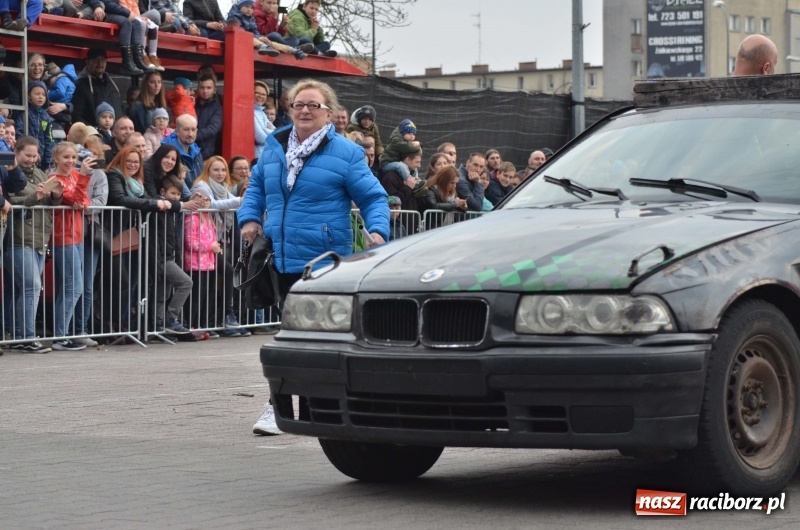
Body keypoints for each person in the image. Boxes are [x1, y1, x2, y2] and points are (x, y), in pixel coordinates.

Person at [239, 79, 389, 435]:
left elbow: (373, 197)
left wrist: (379, 231)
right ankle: (280, 407)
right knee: (289, 335)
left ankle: (310, 407)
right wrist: (248, 218)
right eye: (298, 105)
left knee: (314, 337)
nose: (305, 111)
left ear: (329, 113)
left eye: (313, 105)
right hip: (280, 258)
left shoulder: (346, 152)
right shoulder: (274, 147)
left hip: (325, 262)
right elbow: (256, 186)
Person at [104, 146, 180, 333]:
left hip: (135, 236)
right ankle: (111, 325)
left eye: (136, 162)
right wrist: (154, 203)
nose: (132, 165)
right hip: (116, 234)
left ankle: (127, 324)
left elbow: (147, 198)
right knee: (119, 282)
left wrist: (155, 202)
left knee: (134, 282)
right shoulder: (115, 175)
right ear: (121, 160)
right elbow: (120, 199)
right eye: (128, 161)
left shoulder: (137, 182)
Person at [3, 136, 62, 353]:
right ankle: (26, 337)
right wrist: (34, 198)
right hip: (18, 238)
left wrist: (56, 195)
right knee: (31, 287)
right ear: (16, 152)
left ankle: (18, 335)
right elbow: (10, 202)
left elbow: (45, 202)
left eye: (34, 155)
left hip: (38, 239)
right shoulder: (10, 173)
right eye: (27, 155)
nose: (31, 159)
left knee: (25, 289)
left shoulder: (38, 172)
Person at [190, 156, 248, 337]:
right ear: (208, 171)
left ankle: (219, 319)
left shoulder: (224, 188)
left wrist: (239, 200)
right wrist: (239, 201)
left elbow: (229, 201)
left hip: (218, 240)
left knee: (222, 276)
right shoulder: (202, 186)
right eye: (216, 170)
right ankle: (223, 317)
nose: (220, 174)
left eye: (223, 170)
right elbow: (209, 204)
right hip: (204, 242)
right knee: (226, 272)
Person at [50, 142, 95, 351]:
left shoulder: (75, 177)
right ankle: (60, 335)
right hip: (62, 237)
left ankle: (64, 333)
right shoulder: (53, 180)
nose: (71, 161)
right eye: (66, 157)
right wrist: (84, 178)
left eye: (73, 158)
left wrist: (79, 195)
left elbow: (84, 201)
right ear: (56, 158)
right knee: (73, 288)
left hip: (77, 237)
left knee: (69, 288)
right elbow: (74, 198)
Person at [71, 127, 109, 347]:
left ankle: (81, 328)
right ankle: (65, 330)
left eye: (94, 153)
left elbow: (100, 204)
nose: (89, 157)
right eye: (86, 151)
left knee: (86, 284)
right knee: (70, 284)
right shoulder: (70, 169)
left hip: (88, 233)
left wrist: (80, 206)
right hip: (68, 233)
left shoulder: (100, 175)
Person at [149, 174, 194, 335]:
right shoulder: (160, 208)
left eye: (178, 195)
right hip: (162, 257)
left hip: (168, 255)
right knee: (186, 283)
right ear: (162, 192)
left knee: (163, 293)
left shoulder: (172, 211)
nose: (176, 198)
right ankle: (169, 318)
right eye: (172, 193)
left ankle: (159, 326)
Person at [227, 0, 310, 59]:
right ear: (262, 2)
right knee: (274, 36)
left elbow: (278, 33)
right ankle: (294, 49)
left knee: (295, 39)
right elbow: (264, 31)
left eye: (274, 3)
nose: (272, 6)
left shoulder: (251, 16)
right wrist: (274, 17)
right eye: (269, 3)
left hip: (260, 38)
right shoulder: (256, 14)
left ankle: (295, 49)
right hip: (257, 38)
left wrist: (283, 26)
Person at [102, 0, 162, 73]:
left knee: (137, 22)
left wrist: (135, 16)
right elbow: (108, 4)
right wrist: (128, 13)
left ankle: (138, 60)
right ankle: (127, 62)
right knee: (127, 22)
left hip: (119, 11)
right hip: (106, 12)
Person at [72, 48, 125, 126]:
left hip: (116, 134)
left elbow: (121, 108)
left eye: (103, 61)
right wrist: (94, 131)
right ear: (87, 62)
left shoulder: (112, 84)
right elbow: (76, 115)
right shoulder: (81, 85)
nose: (100, 64)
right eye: (96, 61)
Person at [379, 148, 426, 234]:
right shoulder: (391, 176)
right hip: (397, 226)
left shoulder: (412, 176)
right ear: (408, 159)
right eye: (417, 162)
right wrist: (408, 188)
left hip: (410, 224)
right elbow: (393, 201)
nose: (419, 166)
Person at [17, 81, 55, 171]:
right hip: (26, 158)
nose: (41, 97)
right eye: (37, 94)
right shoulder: (24, 114)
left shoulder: (47, 118)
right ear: (29, 96)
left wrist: (47, 163)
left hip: (41, 161)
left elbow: (49, 140)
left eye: (43, 94)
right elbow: (19, 133)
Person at [420, 165, 468, 230]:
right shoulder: (431, 190)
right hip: (432, 229)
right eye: (452, 183)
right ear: (444, 180)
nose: (454, 186)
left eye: (456, 183)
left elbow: (450, 206)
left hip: (446, 229)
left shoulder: (451, 192)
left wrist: (461, 207)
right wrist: (455, 204)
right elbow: (433, 205)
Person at [162, 114, 204, 186]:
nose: (190, 134)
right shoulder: (167, 152)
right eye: (186, 130)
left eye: (193, 130)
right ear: (177, 131)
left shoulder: (197, 151)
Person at [194, 75, 223, 160]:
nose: (205, 91)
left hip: (208, 153)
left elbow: (213, 129)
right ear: (198, 89)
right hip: (189, 148)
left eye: (208, 88)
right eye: (202, 87)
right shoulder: (191, 104)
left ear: (214, 90)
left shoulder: (217, 108)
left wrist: (191, 135)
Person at [254, 81, 273, 158]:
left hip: (265, 155)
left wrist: (264, 129)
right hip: (256, 156)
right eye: (257, 93)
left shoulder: (261, 112)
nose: (260, 96)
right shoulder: (250, 112)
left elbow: (276, 132)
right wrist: (267, 129)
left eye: (263, 94)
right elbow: (261, 139)